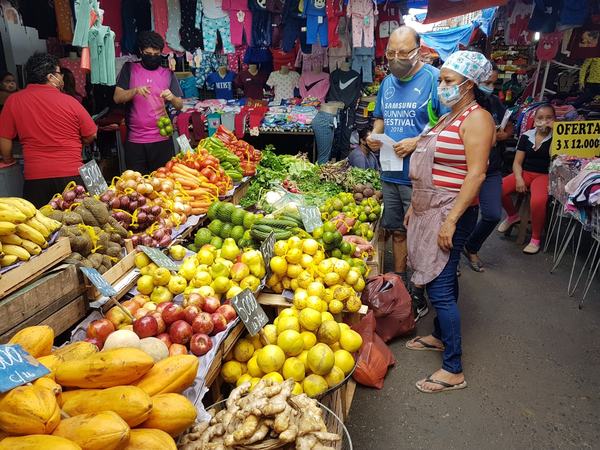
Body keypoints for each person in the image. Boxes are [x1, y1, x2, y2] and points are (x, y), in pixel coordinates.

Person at [404, 51, 495, 393]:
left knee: (439, 288)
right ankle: (440, 337)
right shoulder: (448, 115)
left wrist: (451, 221)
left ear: (469, 85)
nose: (441, 86)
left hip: (451, 211)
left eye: (448, 81)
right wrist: (418, 207)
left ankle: (453, 368)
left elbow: (476, 174)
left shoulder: (477, 119)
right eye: (441, 80)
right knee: (444, 274)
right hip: (431, 208)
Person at [367, 26, 447, 321]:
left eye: (403, 52)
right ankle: (401, 285)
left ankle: (421, 290)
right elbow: (379, 119)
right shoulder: (387, 83)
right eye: (391, 53)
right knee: (397, 231)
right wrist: (374, 135)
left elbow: (447, 126)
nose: (396, 58)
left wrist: (417, 141)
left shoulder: (434, 80)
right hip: (390, 172)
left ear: (419, 50)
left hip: (421, 176)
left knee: (422, 238)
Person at [0, 53, 97, 207]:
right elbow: (91, 134)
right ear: (51, 77)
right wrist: (80, 141)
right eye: (60, 74)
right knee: (79, 227)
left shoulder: (14, 100)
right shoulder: (70, 101)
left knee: (40, 228)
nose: (62, 78)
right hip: (71, 176)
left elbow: (4, 139)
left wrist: (8, 160)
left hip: (36, 178)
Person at [463, 62, 515, 271]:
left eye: (494, 83)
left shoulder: (494, 102)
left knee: (493, 214)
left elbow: (509, 126)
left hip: (491, 168)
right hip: (466, 169)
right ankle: (452, 258)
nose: (491, 87)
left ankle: (472, 246)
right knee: (460, 216)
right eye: (487, 82)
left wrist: (501, 135)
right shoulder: (464, 104)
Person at [114, 31, 183, 173]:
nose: (152, 57)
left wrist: (172, 98)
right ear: (141, 51)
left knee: (163, 184)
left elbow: (180, 105)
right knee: (138, 188)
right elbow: (117, 97)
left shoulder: (168, 73)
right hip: (135, 141)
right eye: (148, 54)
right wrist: (135, 91)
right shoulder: (129, 69)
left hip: (162, 140)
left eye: (156, 54)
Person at [497, 104, 555, 254]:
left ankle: (535, 238)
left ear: (555, 119)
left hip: (544, 175)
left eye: (549, 118)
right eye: (540, 118)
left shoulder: (557, 138)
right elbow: (517, 162)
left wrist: (555, 132)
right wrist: (518, 178)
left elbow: (556, 158)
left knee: (538, 201)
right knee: (499, 188)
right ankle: (512, 216)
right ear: (534, 120)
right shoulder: (526, 136)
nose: (544, 121)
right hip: (525, 172)